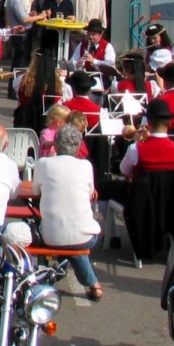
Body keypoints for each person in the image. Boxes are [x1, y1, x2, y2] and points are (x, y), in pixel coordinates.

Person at [32, 125, 103, 300]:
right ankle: (92, 283)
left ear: (55, 144)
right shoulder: (85, 165)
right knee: (73, 242)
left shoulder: (43, 163)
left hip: (52, 237)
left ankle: (44, 279)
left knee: (53, 232)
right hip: (84, 236)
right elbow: (89, 192)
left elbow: (35, 190)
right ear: (78, 146)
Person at [119, 99, 174, 179]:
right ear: (169, 123)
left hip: (143, 191)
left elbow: (124, 171)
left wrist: (137, 142)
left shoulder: (134, 148)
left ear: (148, 122)